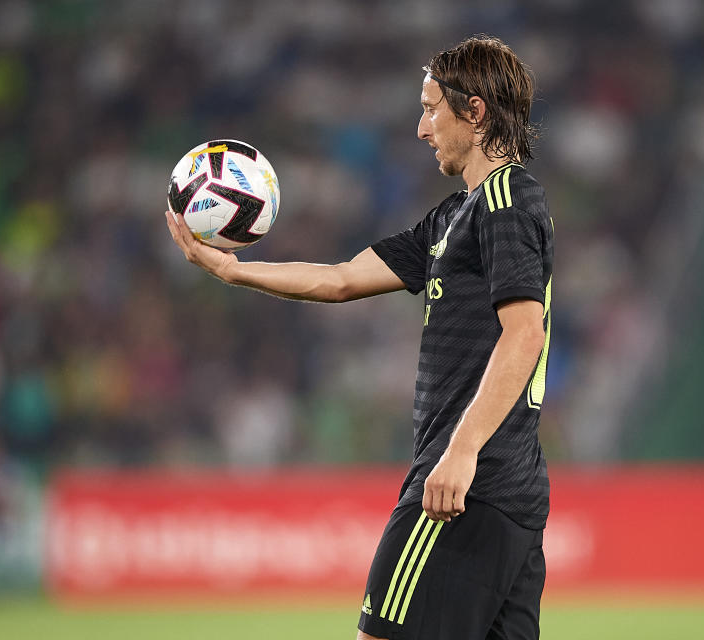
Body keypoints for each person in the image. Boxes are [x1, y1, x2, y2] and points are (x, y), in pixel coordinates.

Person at [166, 35, 553, 640]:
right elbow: (341, 279)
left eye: (431, 109)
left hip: (465, 486)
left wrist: (462, 450)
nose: (422, 128)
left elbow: (525, 334)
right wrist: (232, 270)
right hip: (509, 494)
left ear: (474, 112)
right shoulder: (456, 216)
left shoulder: (503, 201)